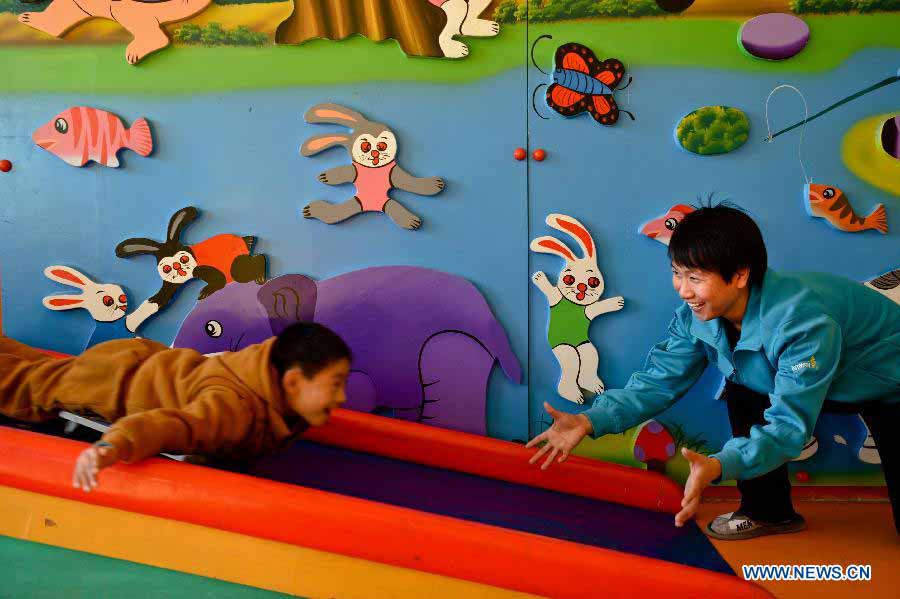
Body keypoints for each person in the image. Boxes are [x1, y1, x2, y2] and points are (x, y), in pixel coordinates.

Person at [527, 204, 900, 540]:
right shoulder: (697, 316)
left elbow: (789, 428)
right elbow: (657, 382)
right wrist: (589, 421)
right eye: (677, 274)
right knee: (742, 387)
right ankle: (768, 512)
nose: (683, 290)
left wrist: (720, 465)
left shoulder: (802, 322)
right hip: (814, 376)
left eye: (695, 277)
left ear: (739, 276)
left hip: (886, 383)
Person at [0, 322, 351, 492]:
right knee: (26, 388)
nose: (342, 398)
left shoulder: (275, 389)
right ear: (291, 382)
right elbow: (171, 425)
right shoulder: (234, 409)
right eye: (335, 385)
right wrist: (113, 446)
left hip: (145, 364)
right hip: (112, 384)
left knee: (37, 367)